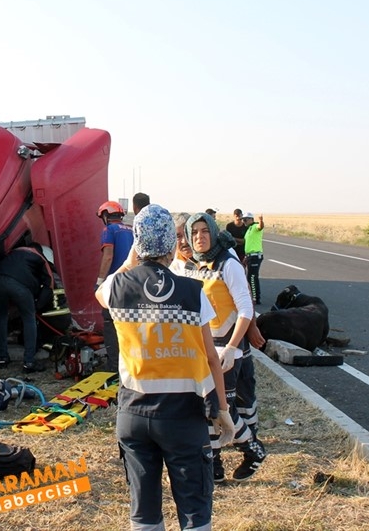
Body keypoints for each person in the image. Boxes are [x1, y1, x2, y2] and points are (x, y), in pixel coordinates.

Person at [96, 204, 233, 531]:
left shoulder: (118, 288)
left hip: (133, 414)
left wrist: (132, 257)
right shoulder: (192, 292)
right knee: (195, 509)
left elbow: (100, 291)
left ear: (137, 243)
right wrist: (223, 409)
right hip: (183, 415)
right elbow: (211, 357)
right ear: (172, 245)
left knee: (143, 511)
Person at [180, 212, 267, 482]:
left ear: (214, 232)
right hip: (203, 350)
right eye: (194, 232)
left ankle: (253, 451)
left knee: (223, 407)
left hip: (228, 349)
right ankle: (215, 464)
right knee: (207, 407)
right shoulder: (189, 265)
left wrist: (231, 347)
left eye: (205, 231)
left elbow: (245, 309)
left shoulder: (228, 263)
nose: (200, 237)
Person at [0, 243, 54, 374]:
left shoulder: (12, 252)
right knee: (29, 319)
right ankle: (29, 362)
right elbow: (49, 285)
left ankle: (2, 358)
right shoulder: (39, 256)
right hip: (19, 285)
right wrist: (37, 305)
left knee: (1, 317)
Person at [95, 200, 134, 371]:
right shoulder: (131, 230)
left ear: (105, 215)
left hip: (115, 285)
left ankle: (113, 367)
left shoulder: (109, 230)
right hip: (134, 283)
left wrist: (100, 281)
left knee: (110, 323)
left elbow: (108, 256)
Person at [242, 212, 265, 304]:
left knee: (252, 277)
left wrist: (261, 220)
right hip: (249, 256)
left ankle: (255, 298)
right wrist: (245, 256)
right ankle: (255, 296)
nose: (244, 221)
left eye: (245, 219)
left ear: (251, 219)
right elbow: (248, 243)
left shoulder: (255, 226)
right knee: (251, 277)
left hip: (255, 256)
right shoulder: (249, 229)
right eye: (243, 220)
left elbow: (260, 227)